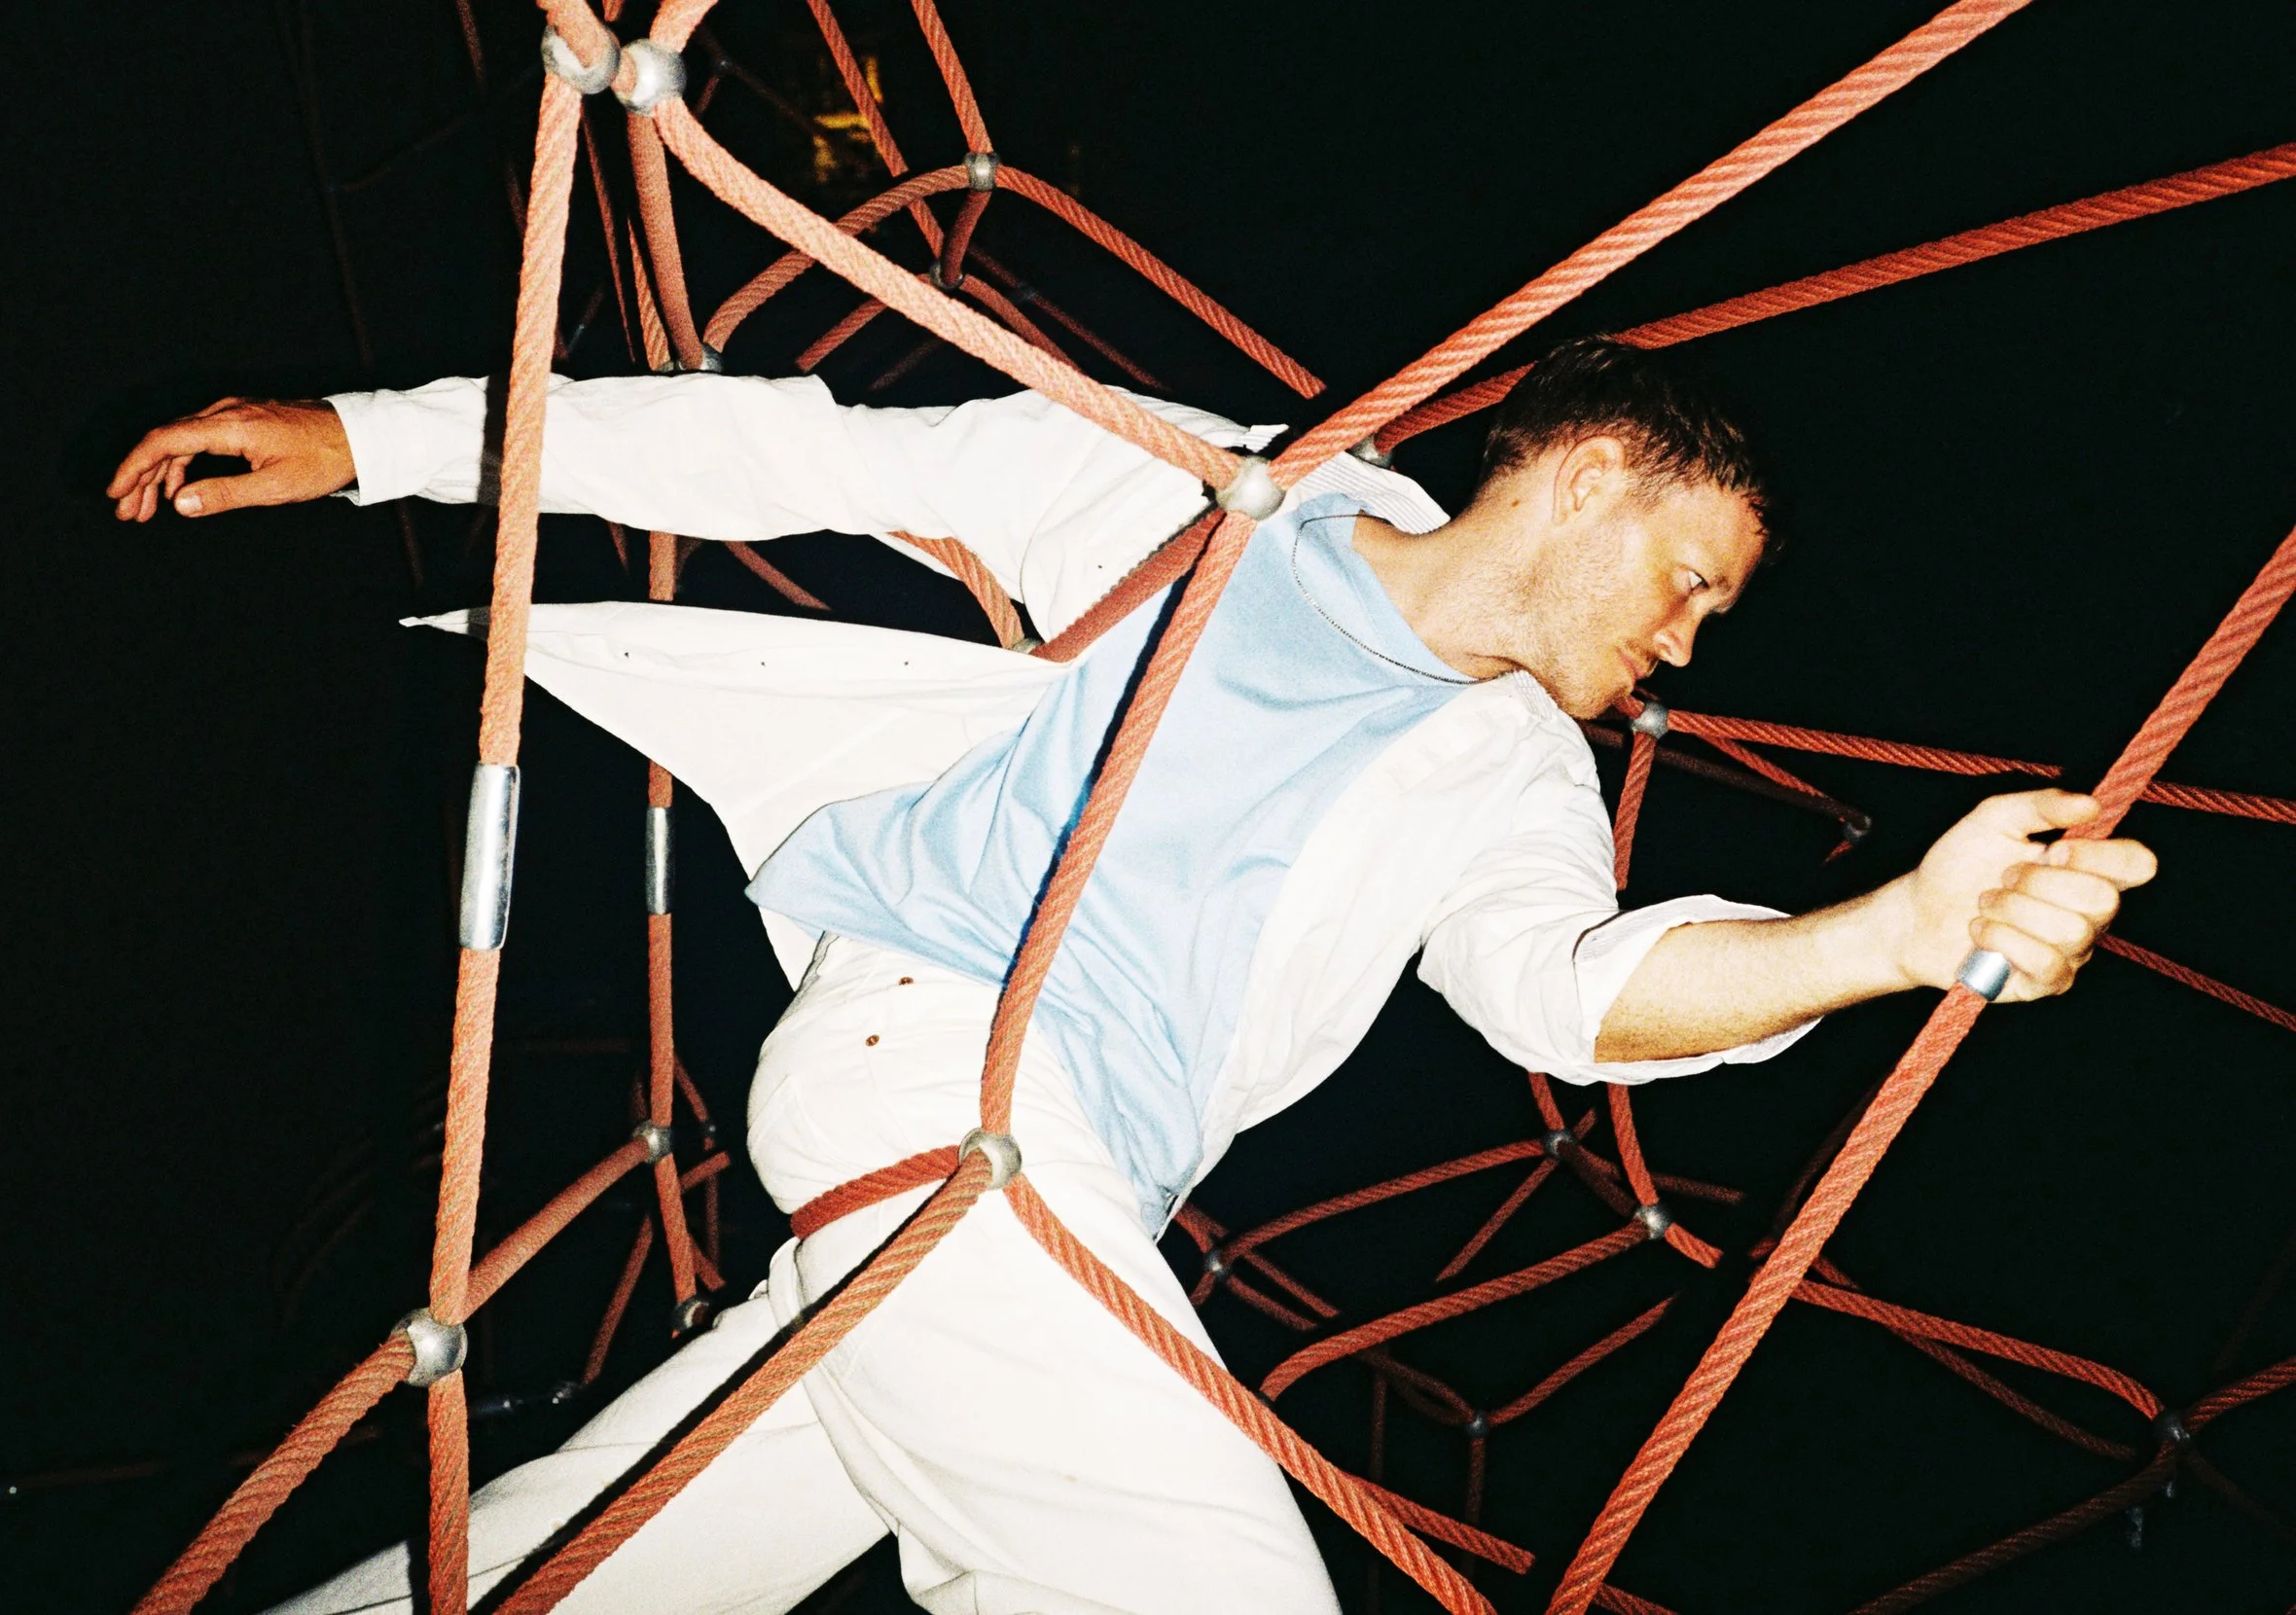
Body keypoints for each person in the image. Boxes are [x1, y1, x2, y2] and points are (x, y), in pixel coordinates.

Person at [108, 340, 2155, 1614]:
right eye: (1690, 582)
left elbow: (1566, 988)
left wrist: (1889, 939)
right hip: (938, 1062)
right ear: (1589, 474)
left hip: (1054, 1173)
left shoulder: (1513, 766)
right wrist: (369, 437)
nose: (1687, 647)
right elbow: (795, 453)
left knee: (590, 1572)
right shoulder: (1203, 494)